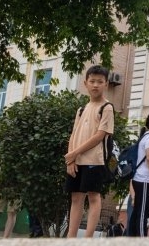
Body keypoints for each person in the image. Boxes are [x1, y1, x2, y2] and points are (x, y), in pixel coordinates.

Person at [64, 65, 114, 238]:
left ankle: (88, 238)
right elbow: (73, 135)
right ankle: (71, 237)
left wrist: (74, 153)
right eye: (92, 81)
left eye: (100, 82)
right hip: (76, 160)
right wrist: (71, 159)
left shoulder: (106, 107)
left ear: (106, 84)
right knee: (76, 198)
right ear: (85, 83)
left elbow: (100, 136)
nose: (95, 85)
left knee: (93, 197)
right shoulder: (81, 109)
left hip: (94, 160)